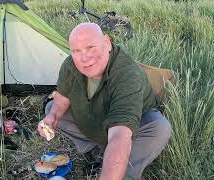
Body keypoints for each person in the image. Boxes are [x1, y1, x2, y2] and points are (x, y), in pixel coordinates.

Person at [37, 22, 172, 180]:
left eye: (90, 47)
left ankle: (124, 171)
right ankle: (98, 148)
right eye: (76, 51)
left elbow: (120, 135)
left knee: (159, 128)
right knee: (51, 108)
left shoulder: (128, 74)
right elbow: (63, 95)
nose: (84, 58)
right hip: (98, 116)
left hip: (131, 125)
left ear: (107, 43)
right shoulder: (70, 64)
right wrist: (53, 116)